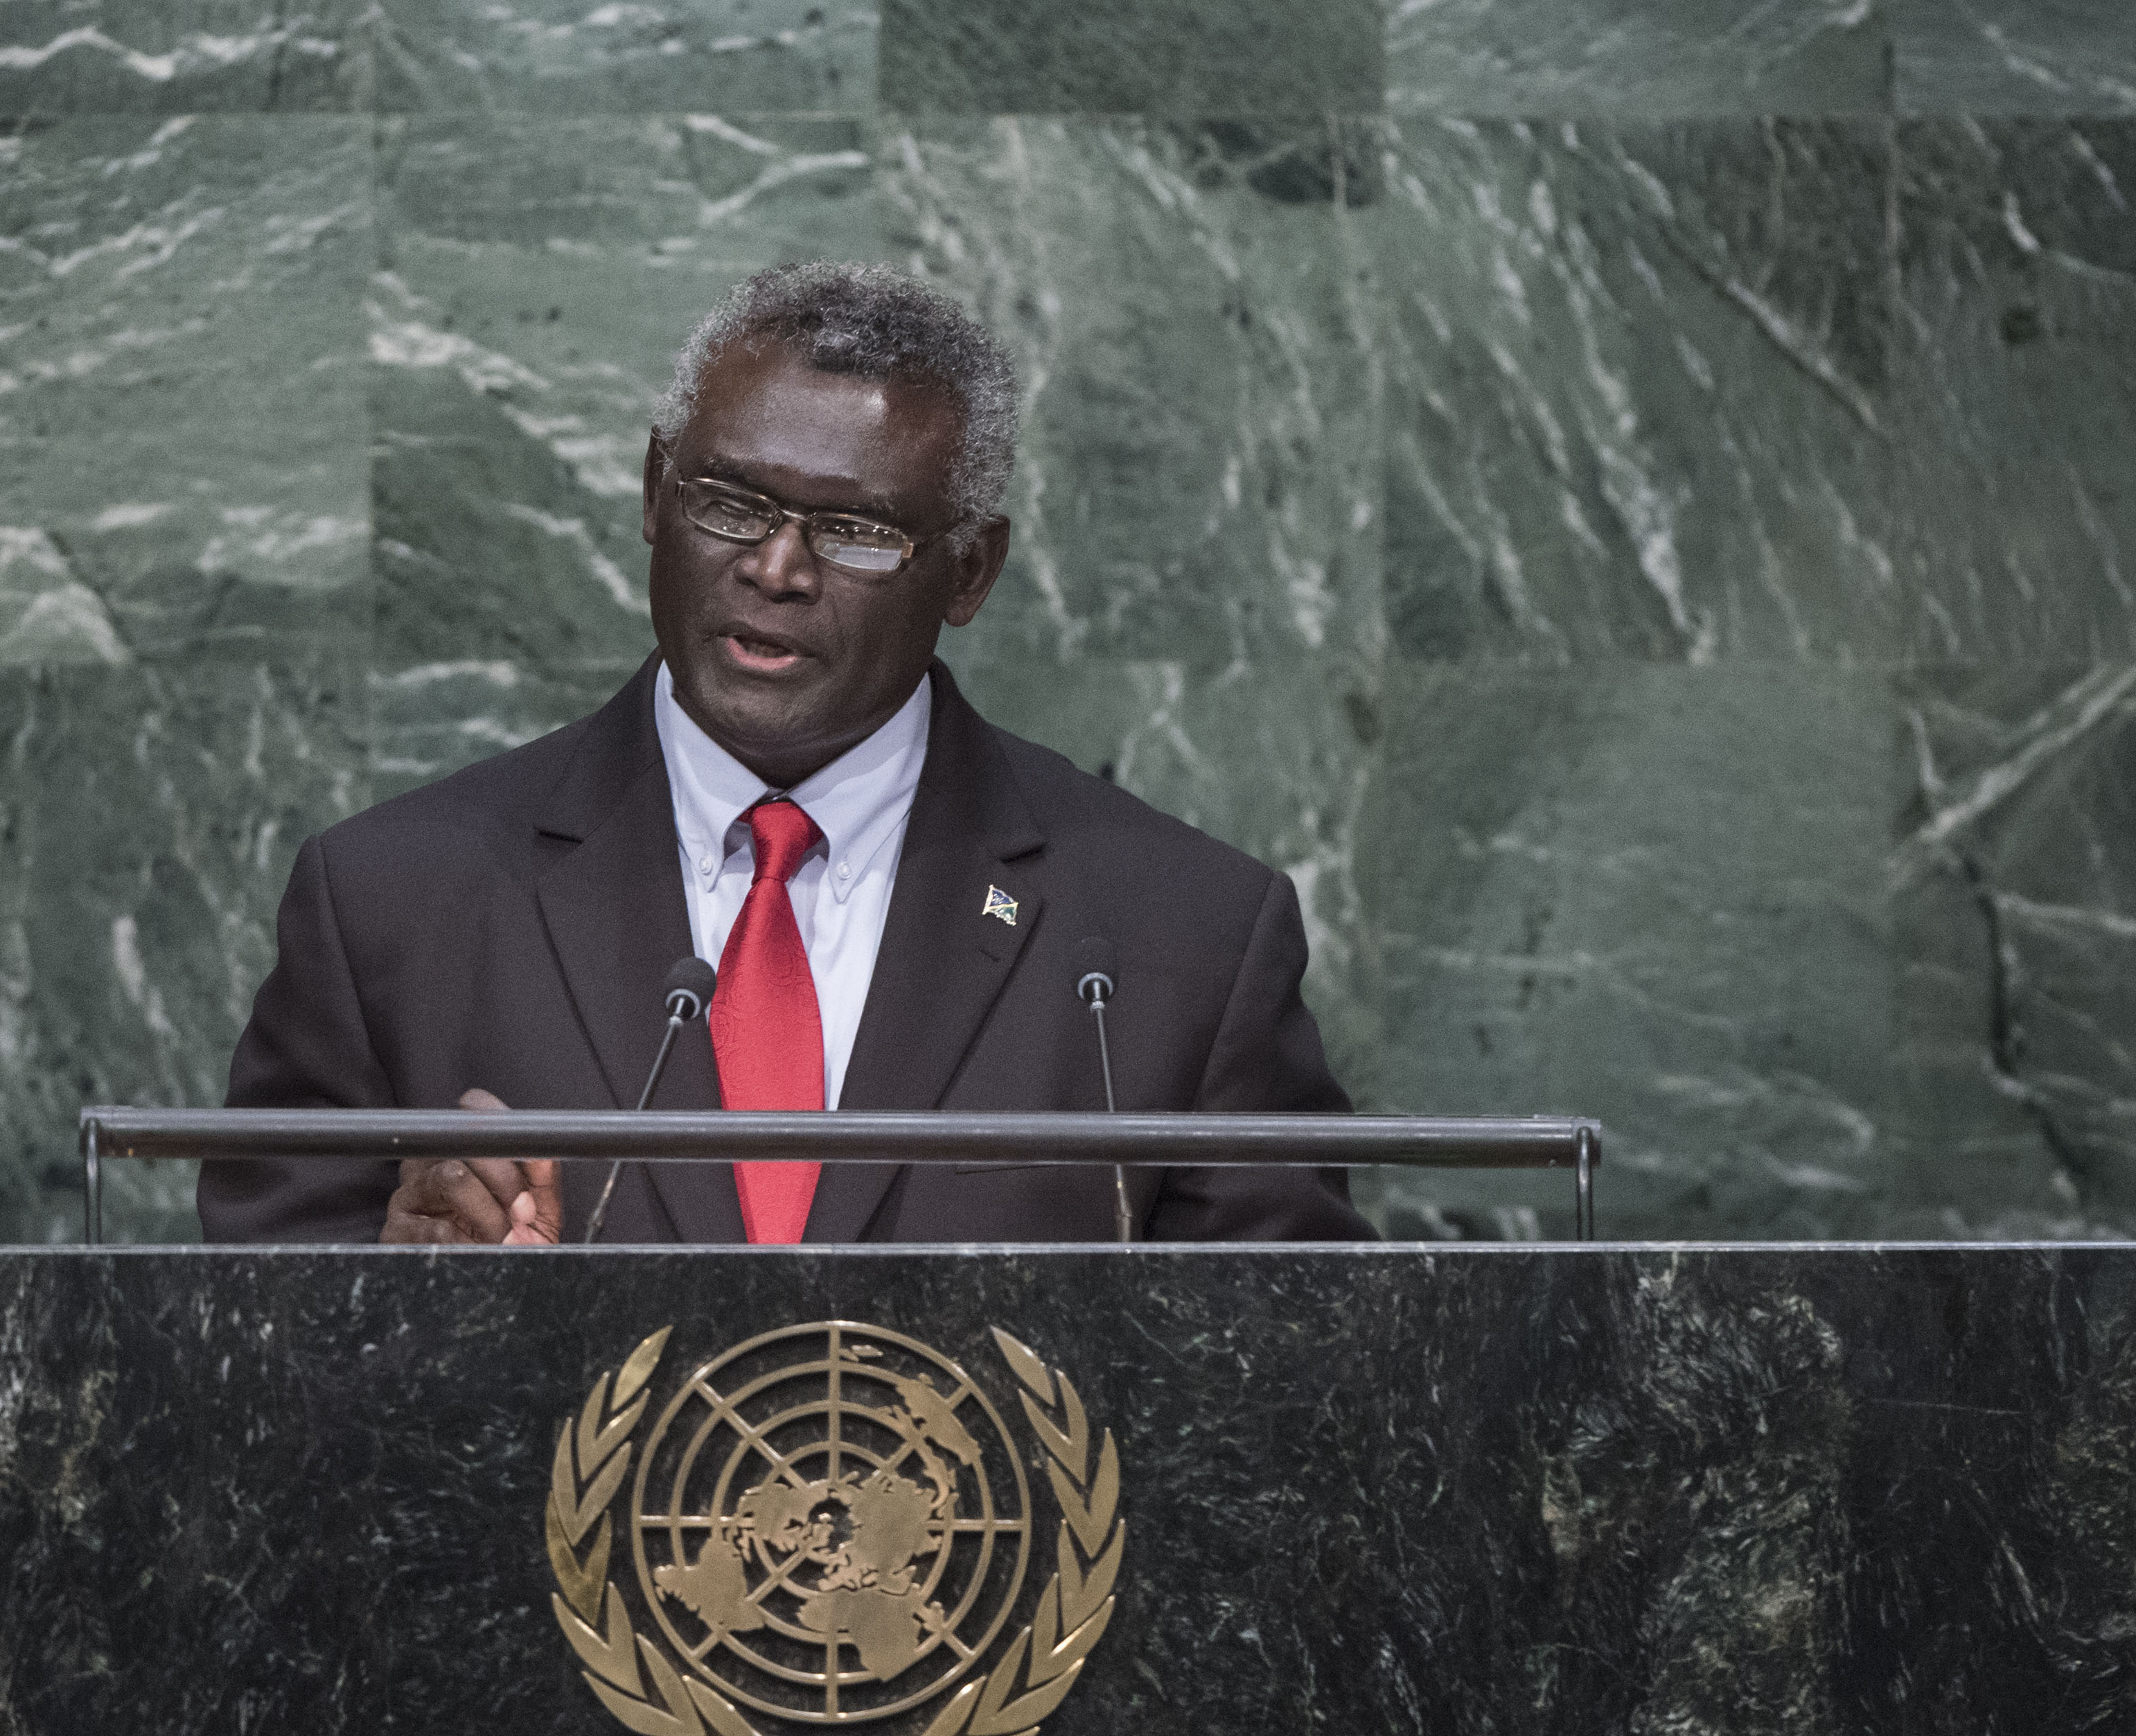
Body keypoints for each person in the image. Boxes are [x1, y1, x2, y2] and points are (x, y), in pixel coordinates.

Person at [199, 262, 1373, 1246]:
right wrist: (392, 1295)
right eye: (730, 503)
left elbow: (1282, 1397)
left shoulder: (1184, 942)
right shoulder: (391, 905)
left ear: (969, 572)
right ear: (656, 495)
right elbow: (243, 1365)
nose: (776, 568)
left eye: (856, 533)